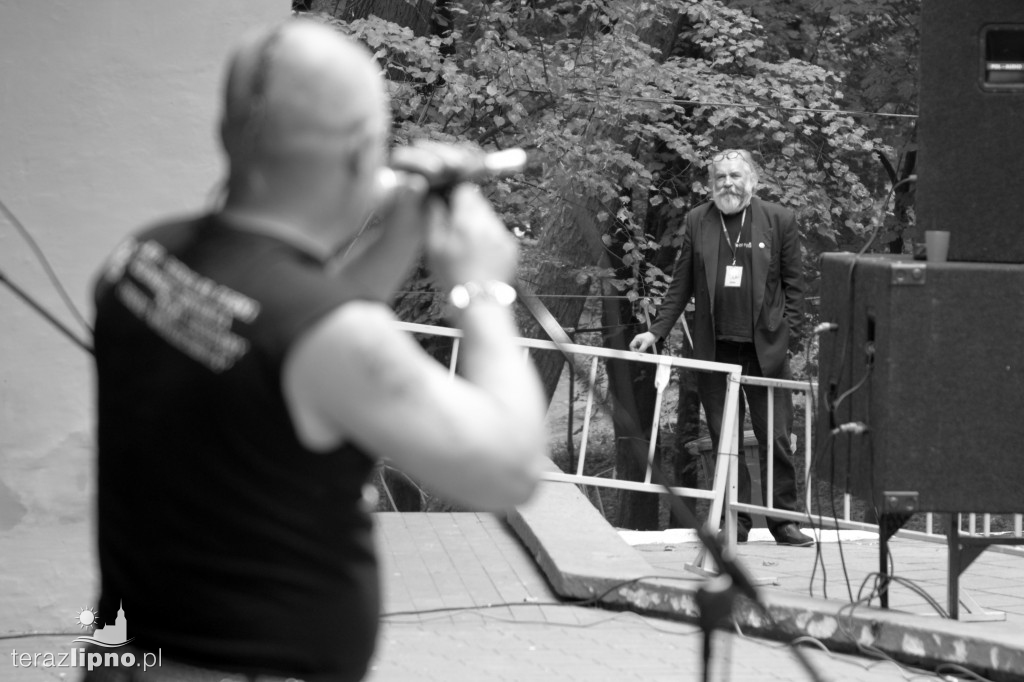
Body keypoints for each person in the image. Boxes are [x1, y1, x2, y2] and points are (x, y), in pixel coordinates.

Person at [89, 20, 547, 681]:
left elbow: (287, 324)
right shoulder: (323, 337)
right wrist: (482, 289)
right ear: (363, 156)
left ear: (226, 133)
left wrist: (402, 231)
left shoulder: (143, 255)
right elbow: (508, 471)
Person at [630, 149, 813, 548]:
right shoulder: (699, 220)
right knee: (725, 441)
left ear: (753, 181)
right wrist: (656, 331)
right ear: (711, 185)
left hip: (766, 351)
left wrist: (789, 338)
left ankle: (784, 522)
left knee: (777, 438)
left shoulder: (779, 219)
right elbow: (681, 284)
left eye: (735, 175)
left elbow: (795, 287)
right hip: (715, 352)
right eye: (720, 177)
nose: (727, 183)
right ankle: (737, 522)